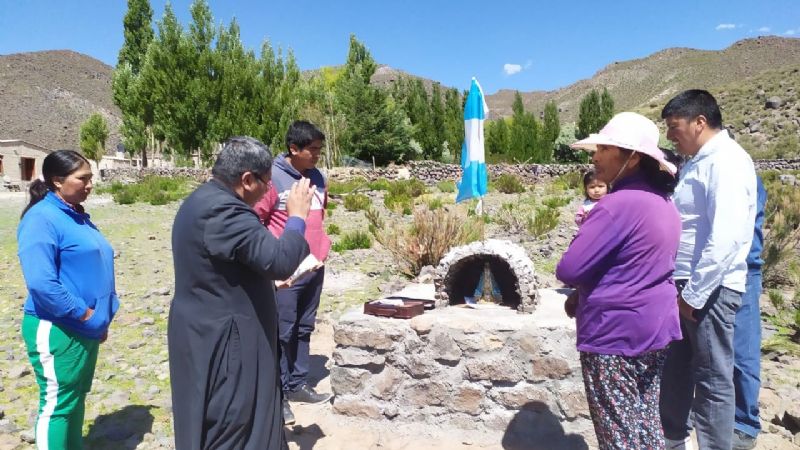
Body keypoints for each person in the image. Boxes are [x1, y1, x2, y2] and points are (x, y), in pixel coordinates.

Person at [168, 136, 313, 449]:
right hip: (226, 342)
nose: (269, 191)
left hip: (208, 328)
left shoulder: (203, 200)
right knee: (235, 423)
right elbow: (279, 261)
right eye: (266, 183)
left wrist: (264, 283)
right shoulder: (225, 212)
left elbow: (226, 264)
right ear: (247, 179)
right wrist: (297, 217)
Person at [556, 112, 682, 450]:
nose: (595, 156)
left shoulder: (616, 205)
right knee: (644, 420)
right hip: (655, 327)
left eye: (605, 148)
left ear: (633, 157)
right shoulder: (663, 203)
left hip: (615, 332)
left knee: (619, 434)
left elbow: (569, 269)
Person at [659, 90, 758, 450]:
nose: (670, 136)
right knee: (675, 372)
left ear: (699, 122)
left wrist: (694, 295)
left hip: (708, 288)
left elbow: (727, 236)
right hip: (686, 285)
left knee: (712, 379)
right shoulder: (698, 162)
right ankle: (673, 442)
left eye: (674, 127)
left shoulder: (727, 161)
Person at [18, 150, 119, 449]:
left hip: (85, 326)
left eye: (91, 178)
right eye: (82, 179)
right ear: (57, 181)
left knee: (75, 398)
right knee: (58, 404)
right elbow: (42, 283)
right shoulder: (41, 219)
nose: (90, 185)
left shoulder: (75, 215)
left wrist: (99, 319)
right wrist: (85, 315)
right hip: (57, 327)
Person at [254, 120, 332, 425]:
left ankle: (298, 384)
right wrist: (273, 264)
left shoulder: (318, 177)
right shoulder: (272, 178)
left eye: (319, 149)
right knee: (282, 332)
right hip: (285, 272)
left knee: (304, 327)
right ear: (293, 149)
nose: (317, 155)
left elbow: (319, 215)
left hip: (314, 266)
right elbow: (257, 222)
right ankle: (280, 394)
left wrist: (321, 248)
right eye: (312, 149)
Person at [732, 175, 767, 450]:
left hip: (742, 270)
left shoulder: (741, 174)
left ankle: (744, 423)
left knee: (743, 351)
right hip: (712, 271)